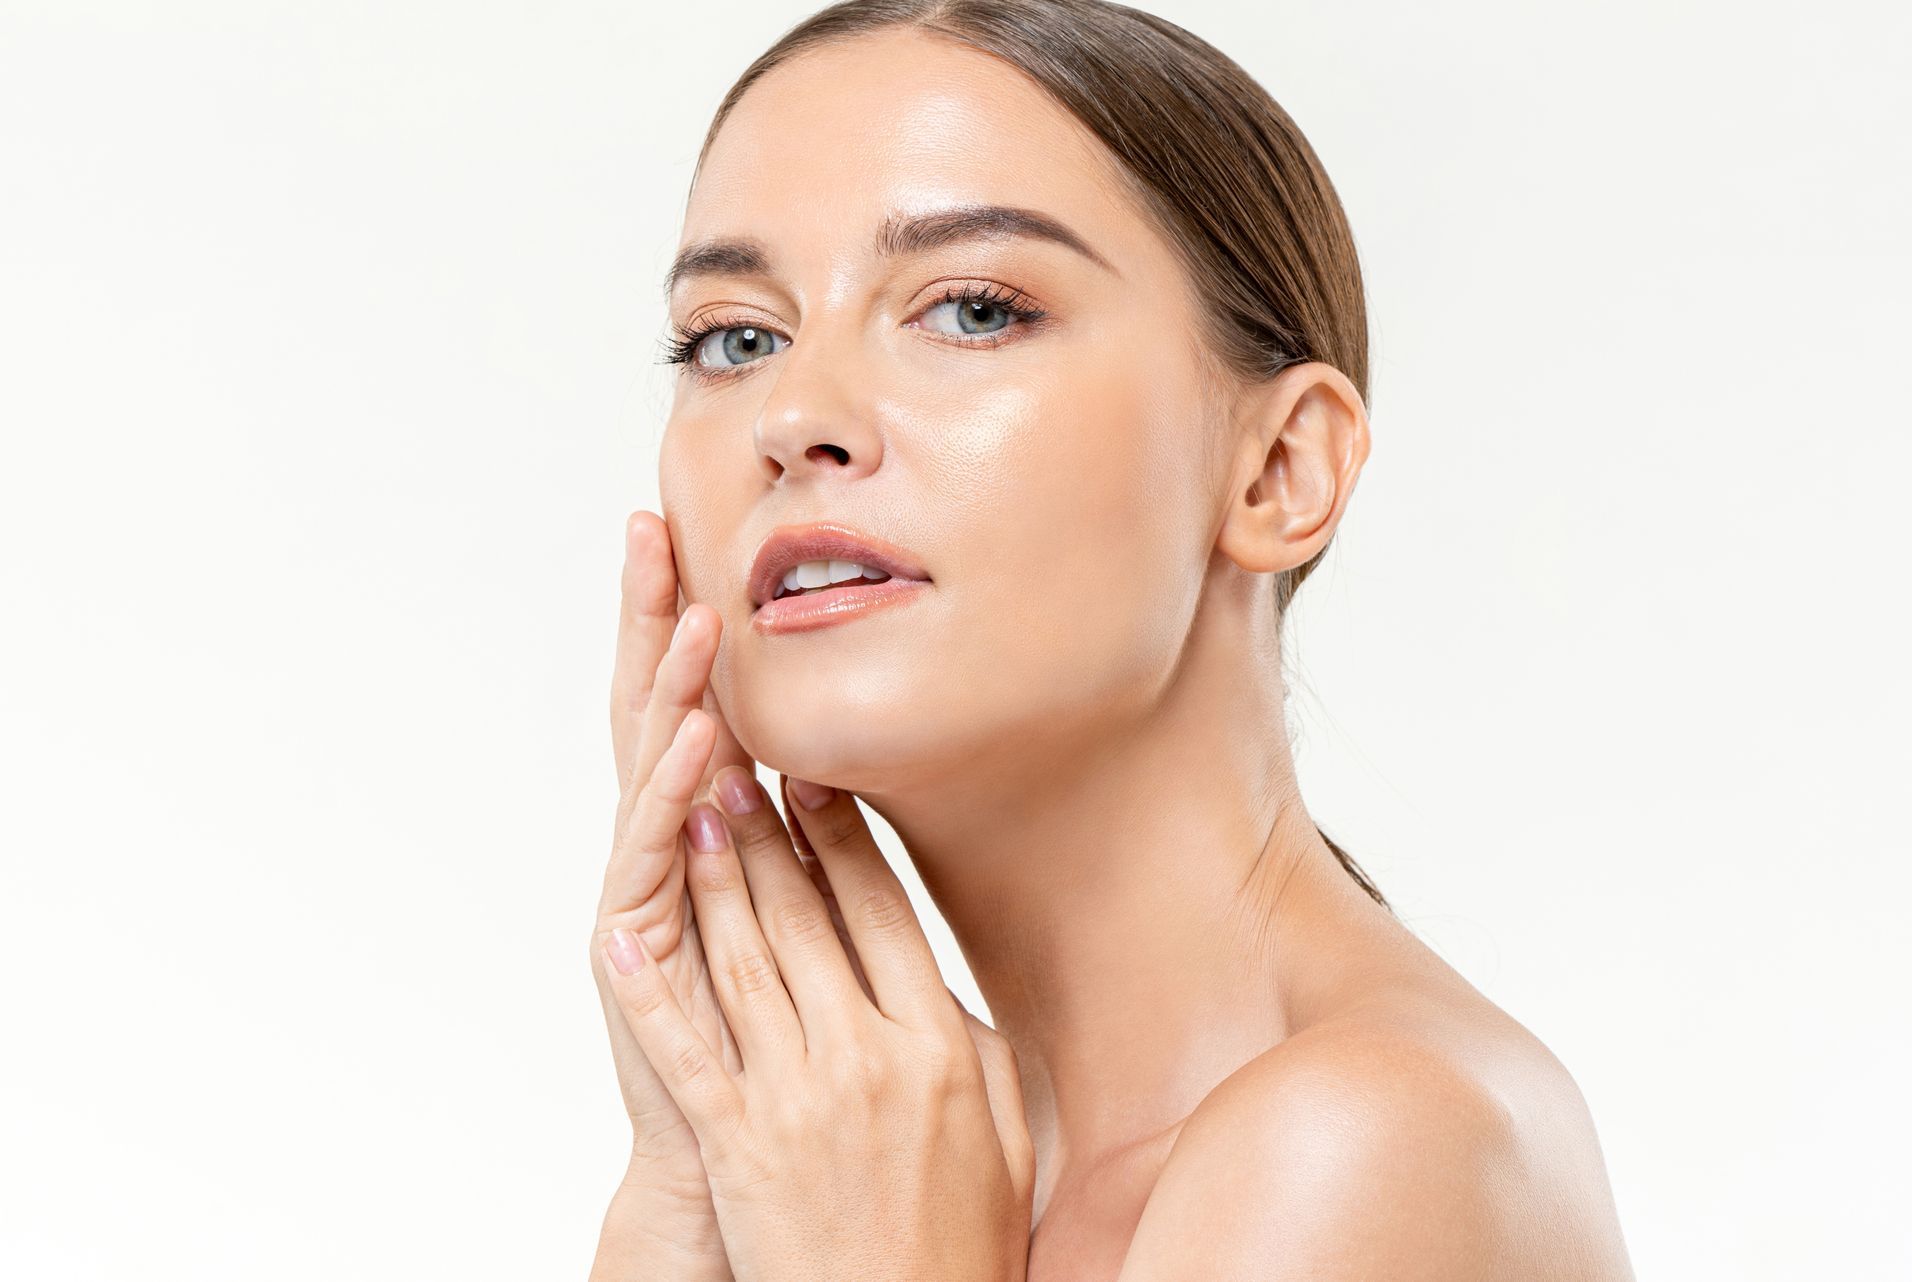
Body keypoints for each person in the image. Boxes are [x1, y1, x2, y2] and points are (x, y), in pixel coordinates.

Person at [588, 1, 1635, 1277]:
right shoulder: (857, 1167)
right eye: (734, 338)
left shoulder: (1358, 1140)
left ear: (1278, 470)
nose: (795, 413)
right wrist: (688, 1182)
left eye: (972, 310)